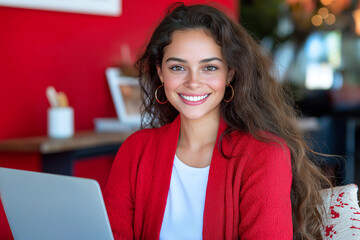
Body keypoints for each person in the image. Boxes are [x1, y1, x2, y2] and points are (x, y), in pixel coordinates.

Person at [104, 3, 330, 239]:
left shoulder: (263, 155)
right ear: (161, 72)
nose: (193, 82)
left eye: (209, 67)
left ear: (230, 73)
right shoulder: (136, 150)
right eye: (178, 67)